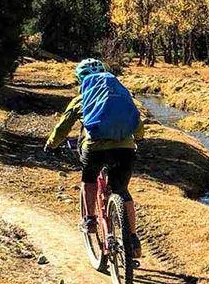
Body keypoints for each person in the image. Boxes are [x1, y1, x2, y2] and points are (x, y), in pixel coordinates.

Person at [45, 58, 144, 258]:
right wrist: (135, 139)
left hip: (95, 148)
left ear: (80, 79)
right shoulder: (121, 94)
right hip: (125, 149)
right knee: (122, 191)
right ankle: (132, 238)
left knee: (88, 179)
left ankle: (90, 219)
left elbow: (63, 127)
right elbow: (138, 125)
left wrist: (51, 145)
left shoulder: (82, 98)